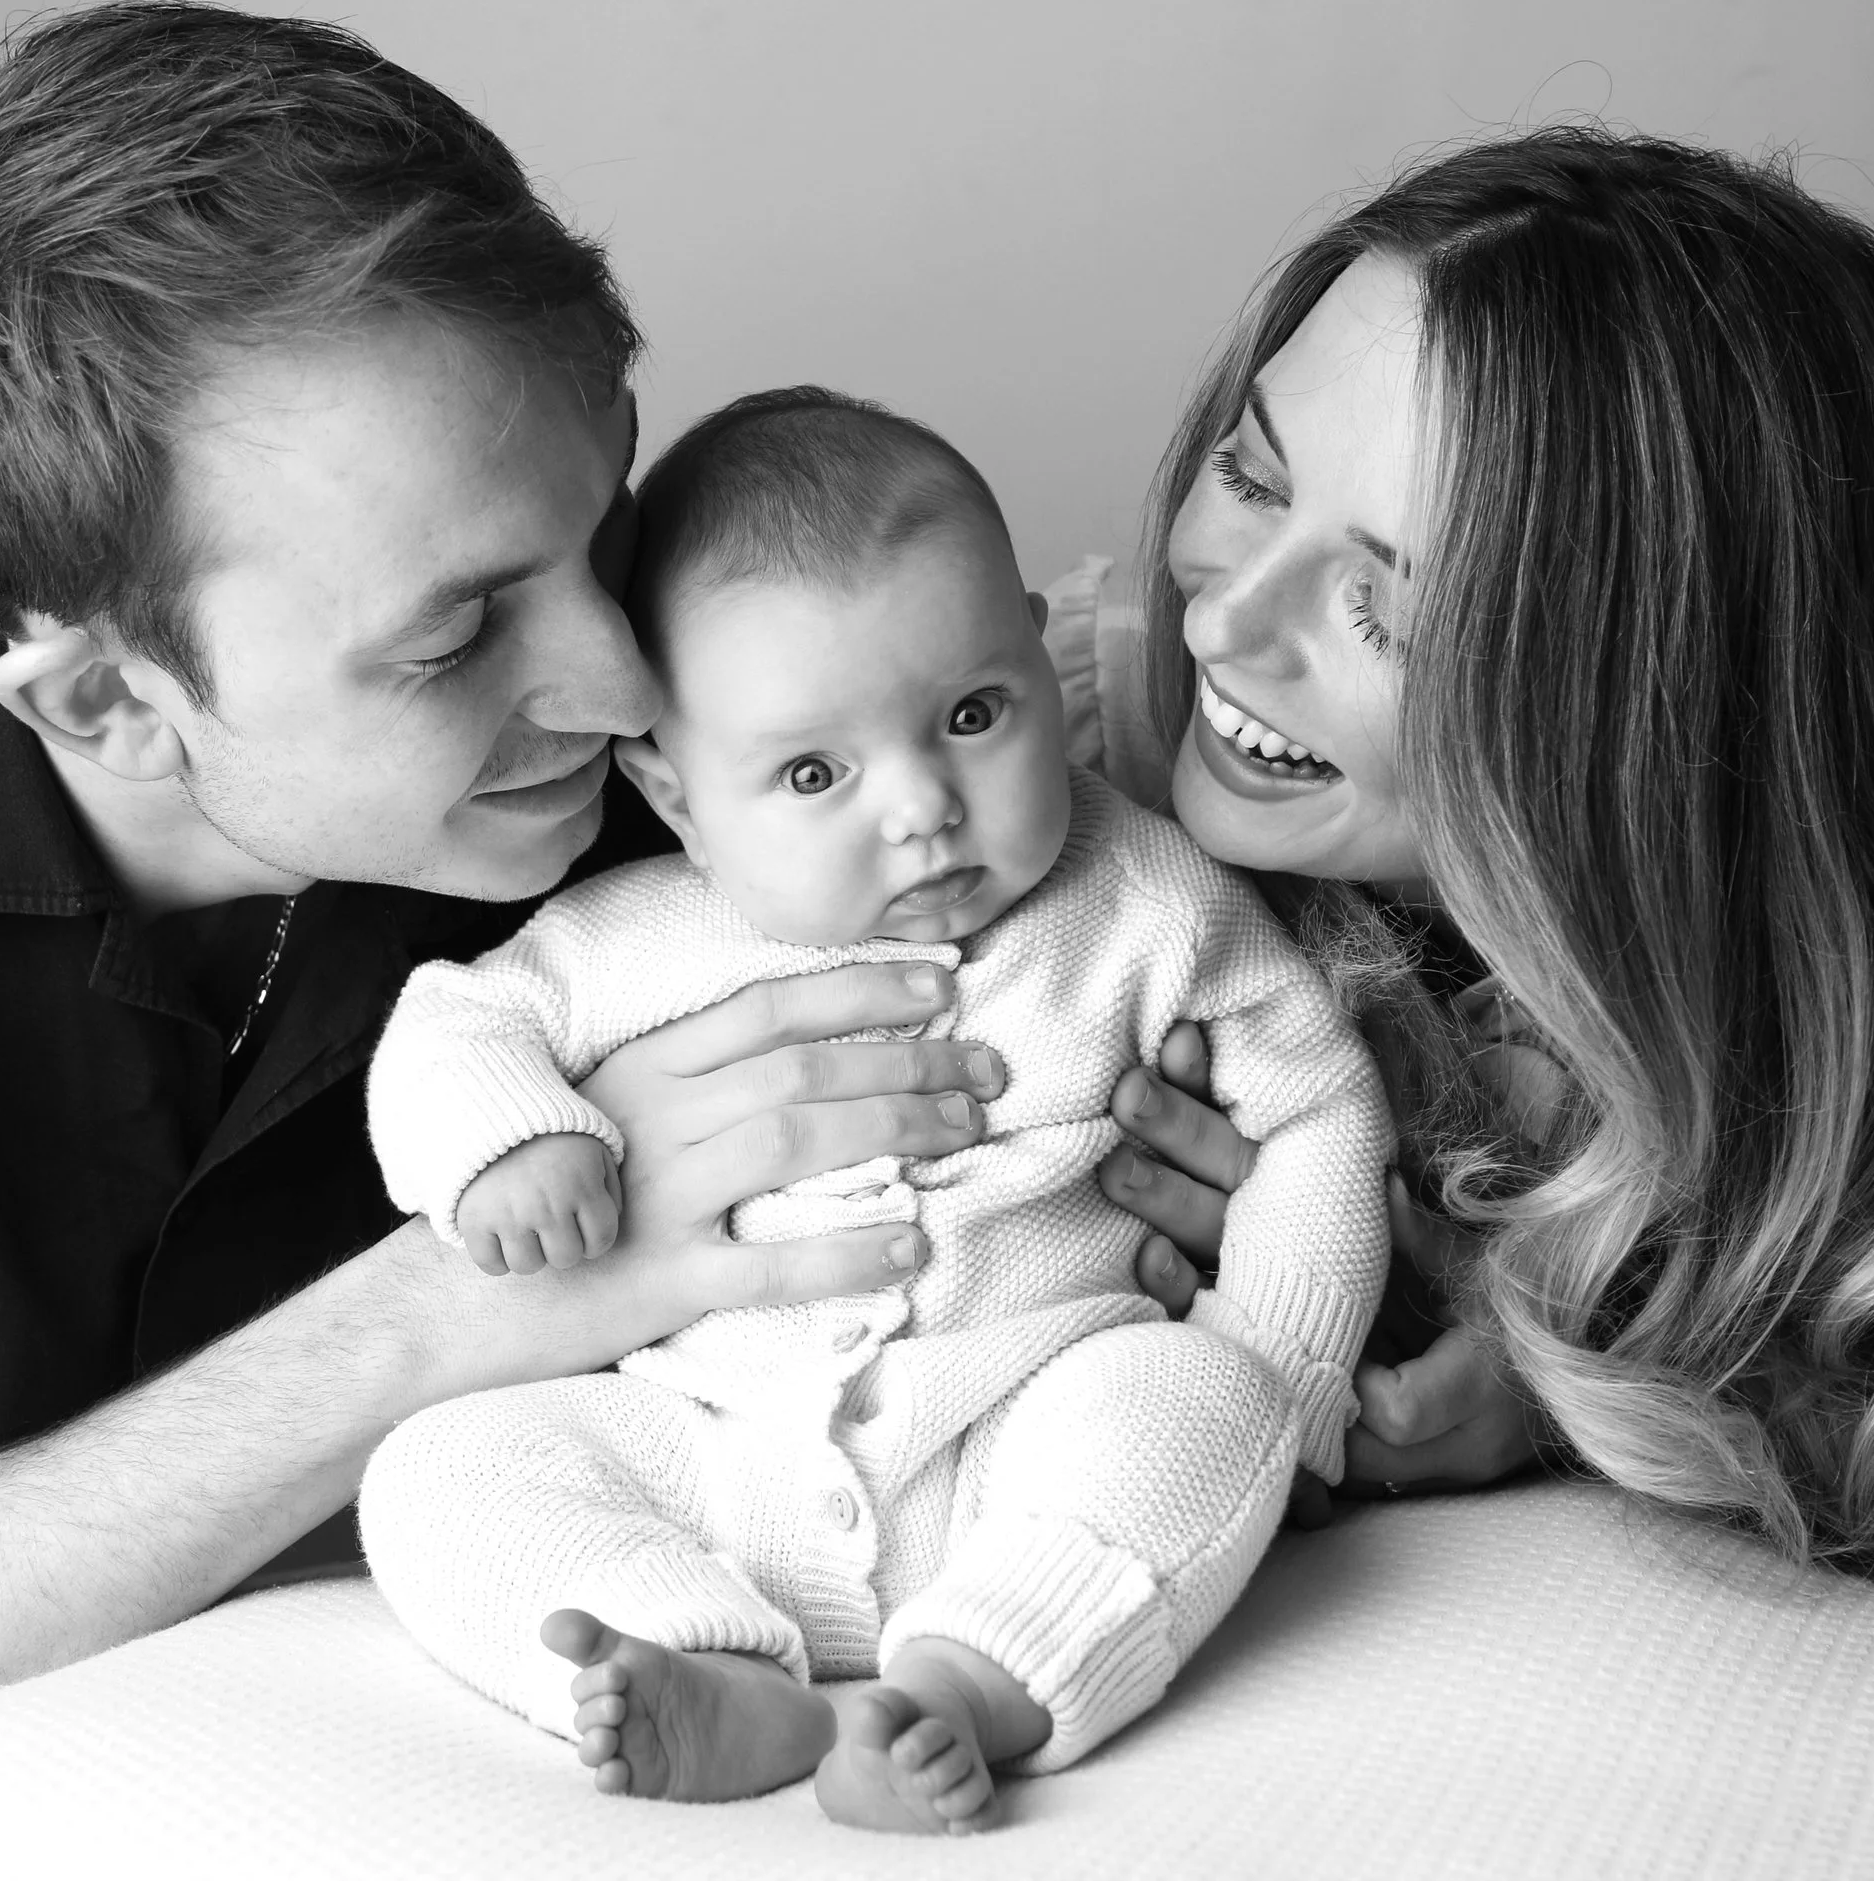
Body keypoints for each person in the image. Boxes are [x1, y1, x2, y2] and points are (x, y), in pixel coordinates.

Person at [0, 4, 1091, 1800]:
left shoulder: (677, 711)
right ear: (107, 701)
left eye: (605, 515)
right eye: (458, 637)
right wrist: (441, 1311)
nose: (628, 685)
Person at [1091, 128, 1874, 1587]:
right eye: (1255, 481)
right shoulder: (1024, 740)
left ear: (1655, 714)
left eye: (1392, 608)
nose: (1223, 623)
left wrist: (1569, 1386)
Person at [354, 388, 1389, 1831]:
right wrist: (510, 1146)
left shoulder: (1144, 901)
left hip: (1030, 1417)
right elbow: (459, 1021)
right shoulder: (639, 935)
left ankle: (966, 1683)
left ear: (1039, 649)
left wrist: (1286, 1346)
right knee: (435, 1473)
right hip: (715, 1449)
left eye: (972, 715)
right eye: (812, 773)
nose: (920, 808)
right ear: (676, 792)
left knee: (1214, 1405)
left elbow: (1317, 1111)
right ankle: (699, 1662)